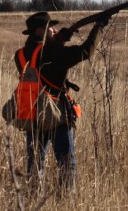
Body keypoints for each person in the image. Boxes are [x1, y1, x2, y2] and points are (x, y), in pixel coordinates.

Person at [15, 10, 107, 194]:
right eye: (51, 28)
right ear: (41, 31)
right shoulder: (52, 51)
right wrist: (99, 27)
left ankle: (33, 200)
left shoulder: (20, 55)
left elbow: (41, 61)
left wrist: (59, 40)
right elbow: (85, 51)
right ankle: (67, 202)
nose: (55, 30)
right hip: (56, 116)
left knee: (34, 166)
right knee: (66, 164)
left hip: (32, 116)